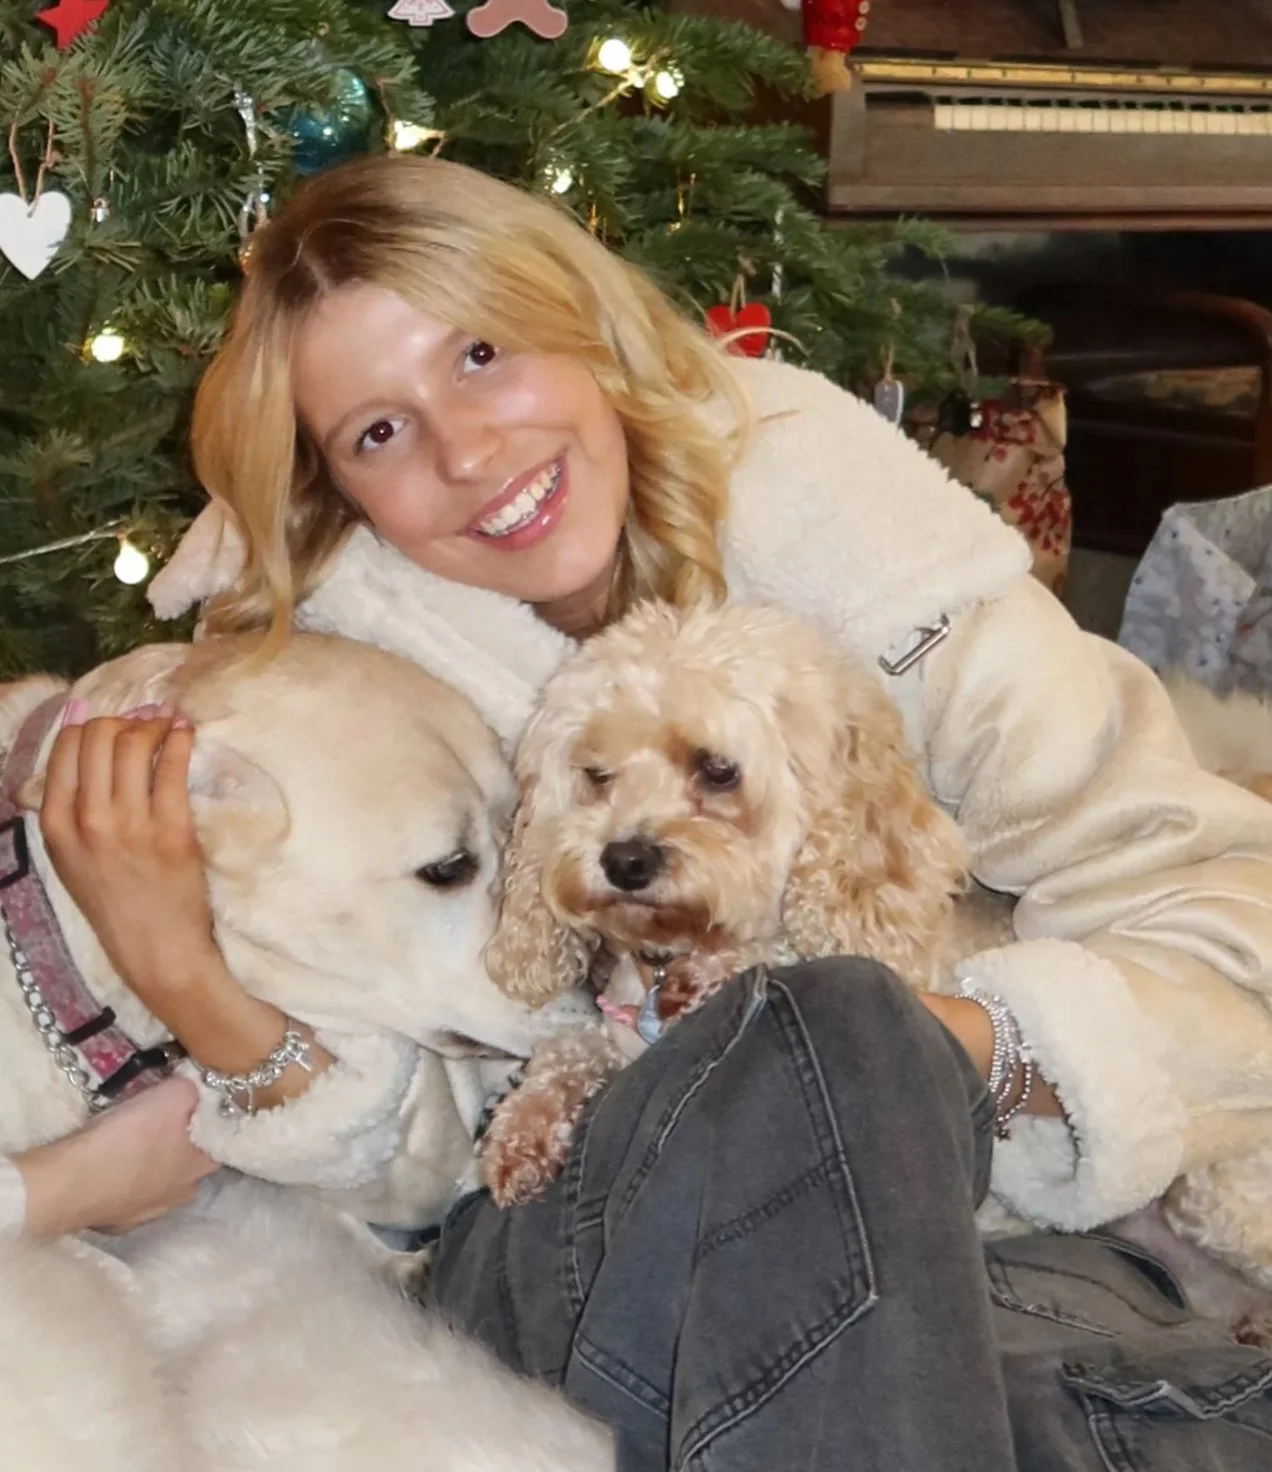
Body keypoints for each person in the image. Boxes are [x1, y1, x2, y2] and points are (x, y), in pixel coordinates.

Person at [17, 153, 1272, 1469]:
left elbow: (1232, 941)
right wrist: (175, 959)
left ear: (586, 326)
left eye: (483, 354)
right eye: (376, 434)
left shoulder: (885, 576)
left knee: (857, 1048)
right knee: (828, 1022)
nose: (465, 450)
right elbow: (409, 1176)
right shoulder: (361, 718)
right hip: (601, 1264)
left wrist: (964, 1047)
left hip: (993, 1270)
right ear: (342, 494)